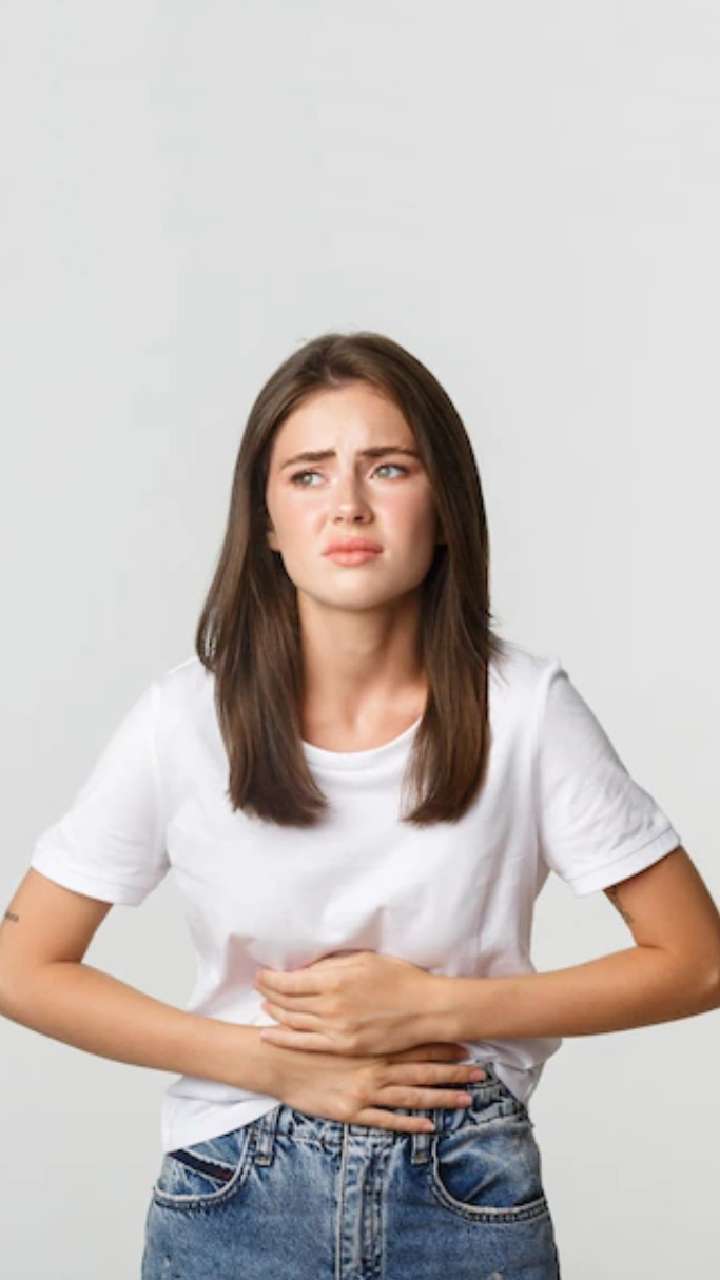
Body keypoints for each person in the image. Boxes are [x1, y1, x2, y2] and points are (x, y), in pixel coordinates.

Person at [2, 331, 719, 1279]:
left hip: (464, 1184)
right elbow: (22, 965)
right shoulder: (185, 717)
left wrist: (437, 1005)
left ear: (445, 505)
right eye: (307, 475)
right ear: (265, 521)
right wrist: (266, 1062)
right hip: (235, 1189)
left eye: (388, 468)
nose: (347, 504)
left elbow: (698, 961)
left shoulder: (525, 710)